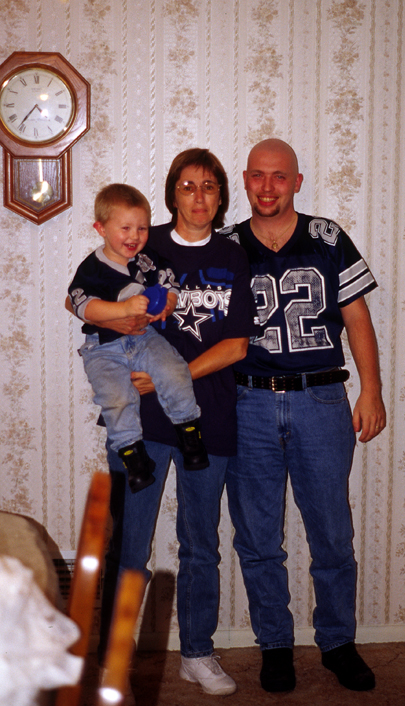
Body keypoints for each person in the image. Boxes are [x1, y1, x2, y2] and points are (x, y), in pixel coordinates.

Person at [85, 150, 258, 699]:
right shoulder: (143, 244)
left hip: (208, 419)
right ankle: (115, 658)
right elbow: (93, 305)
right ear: (172, 193)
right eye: (188, 186)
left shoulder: (234, 257)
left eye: (210, 186)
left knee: (199, 543)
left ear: (221, 195)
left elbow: (236, 344)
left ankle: (197, 653)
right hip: (138, 421)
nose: (199, 196)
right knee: (129, 545)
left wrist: (168, 376)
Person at [222, 138, 387, 693]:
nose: (267, 187)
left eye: (279, 176)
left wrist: (373, 391)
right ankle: (275, 645)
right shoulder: (223, 246)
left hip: (321, 399)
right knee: (258, 536)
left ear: (297, 180)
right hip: (249, 402)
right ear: (244, 180)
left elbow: (357, 319)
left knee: (332, 534)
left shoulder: (327, 237)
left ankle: (338, 642)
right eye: (257, 177)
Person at [68, 184, 208, 494]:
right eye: (126, 228)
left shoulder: (146, 259)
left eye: (142, 228)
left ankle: (189, 432)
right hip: (103, 348)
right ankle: (132, 455)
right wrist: (121, 309)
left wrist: (169, 302)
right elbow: (79, 303)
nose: (135, 236)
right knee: (116, 399)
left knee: (174, 369)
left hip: (146, 337)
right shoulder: (91, 268)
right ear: (100, 228)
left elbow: (169, 282)